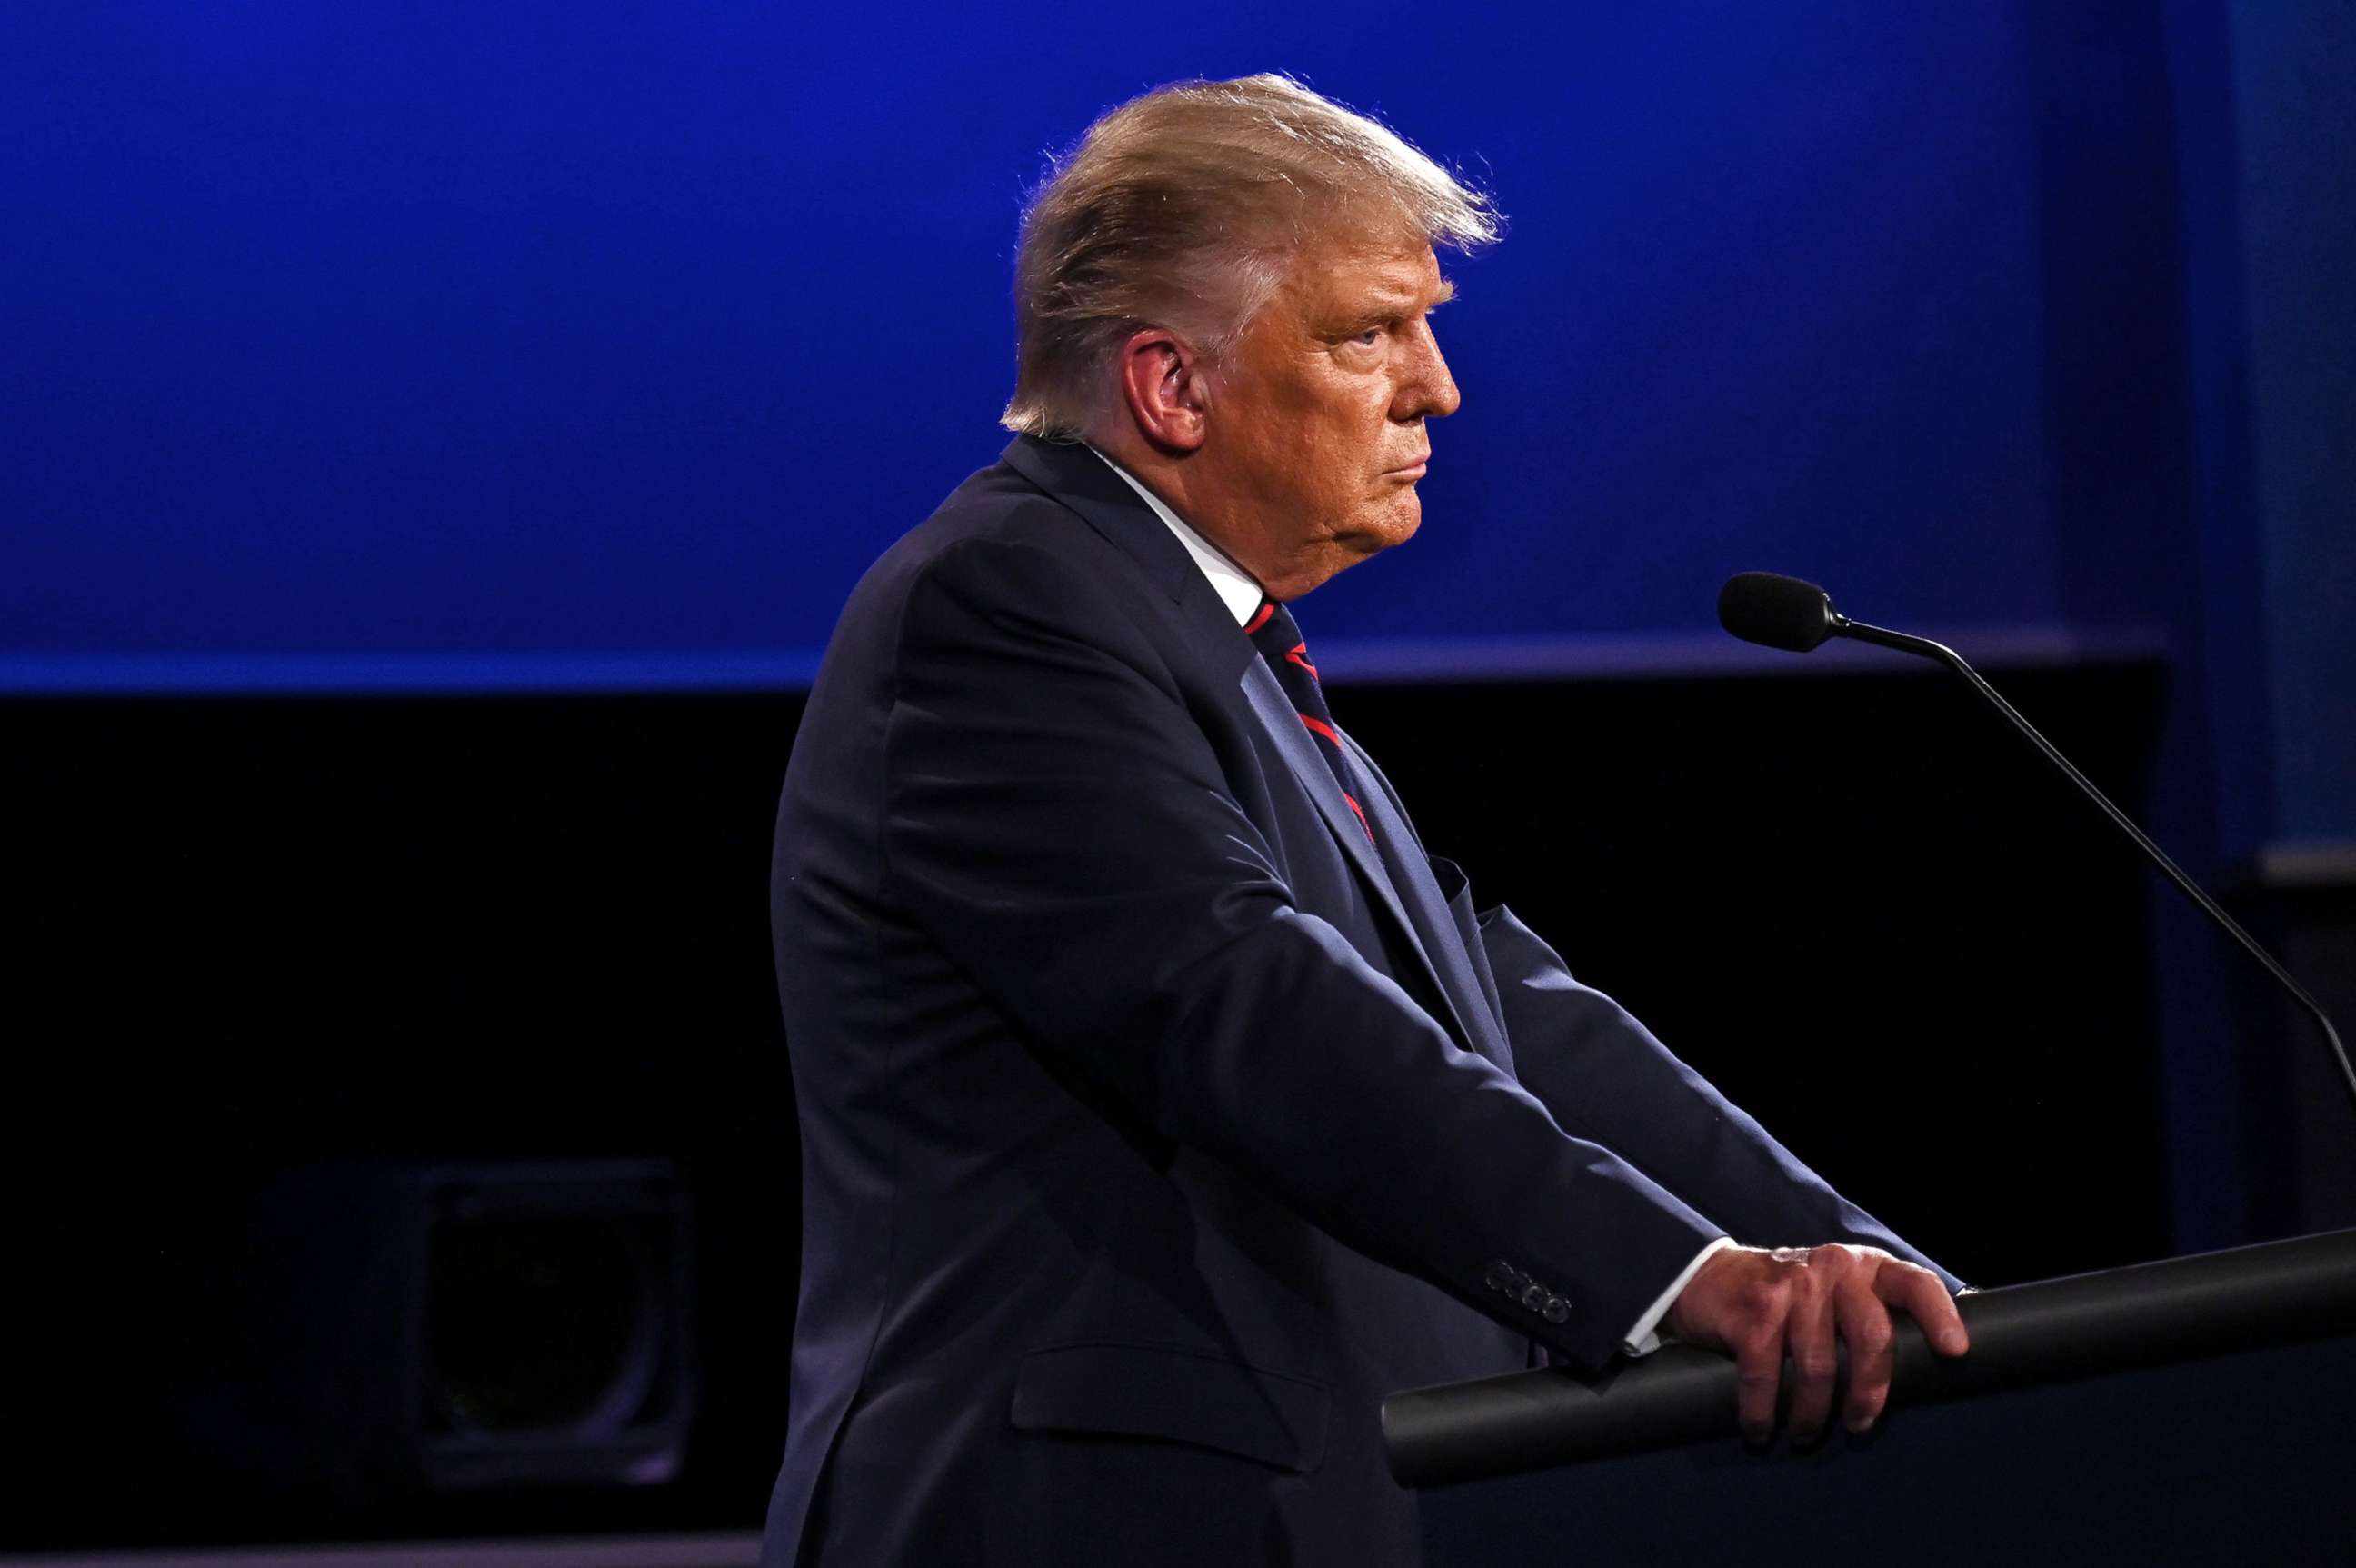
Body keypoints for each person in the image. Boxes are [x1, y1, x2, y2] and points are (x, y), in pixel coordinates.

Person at [764, 74, 1969, 1568]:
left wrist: (1882, 1277)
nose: (1437, 385)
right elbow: (1246, 1000)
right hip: (1085, 1523)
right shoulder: (1001, 604)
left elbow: (1511, 1012)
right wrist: (1681, 1275)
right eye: (1367, 333)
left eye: (1427, 324)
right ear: (1171, 386)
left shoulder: (1218, 642)